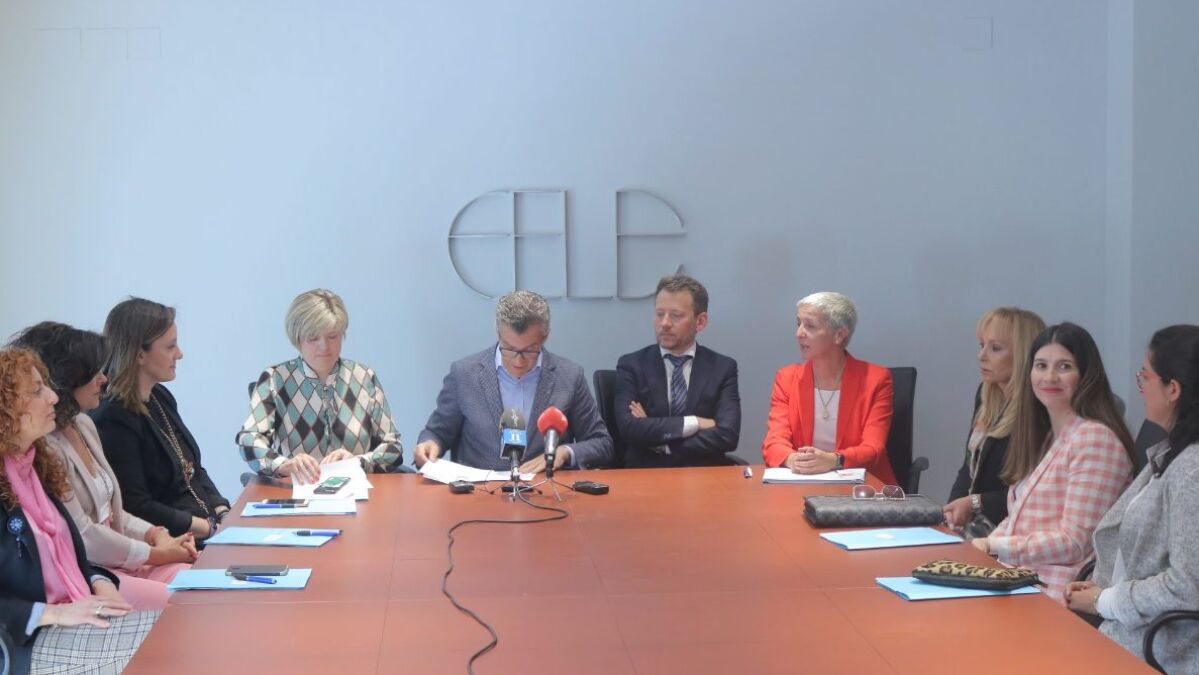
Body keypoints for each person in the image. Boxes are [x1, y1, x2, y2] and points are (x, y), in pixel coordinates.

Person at [11, 323, 196, 610]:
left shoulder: (83, 424)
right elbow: (83, 535)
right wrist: (155, 554)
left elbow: (113, 511)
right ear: (69, 379)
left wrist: (156, 534)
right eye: (94, 372)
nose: (103, 379)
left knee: (201, 583)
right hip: (95, 570)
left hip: (124, 560)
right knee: (184, 604)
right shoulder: (46, 448)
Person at [0, 347, 158, 675]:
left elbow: (68, 558)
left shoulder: (35, 469)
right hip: (25, 643)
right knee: (165, 648)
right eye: (37, 391)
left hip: (74, 614)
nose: (53, 398)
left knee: (176, 630)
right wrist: (51, 613)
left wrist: (99, 581)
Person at [1065, 325, 1199, 671]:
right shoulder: (1172, 453)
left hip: (1160, 647)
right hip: (1133, 628)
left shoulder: (1192, 470)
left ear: (1173, 389)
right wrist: (1101, 588)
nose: (1140, 388)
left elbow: (1189, 586)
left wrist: (1105, 600)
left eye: (1145, 377)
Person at [971, 322, 1135, 603]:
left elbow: (1074, 542)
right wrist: (980, 549)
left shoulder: (1095, 438)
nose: (1049, 377)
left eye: (1064, 367)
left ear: (1086, 375)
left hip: (1053, 594)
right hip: (1017, 580)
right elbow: (1019, 520)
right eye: (1041, 366)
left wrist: (993, 545)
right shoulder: (1049, 435)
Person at [414, 290, 612, 472]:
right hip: (479, 491)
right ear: (498, 333)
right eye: (509, 349)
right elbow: (437, 432)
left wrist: (564, 452)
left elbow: (602, 443)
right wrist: (429, 445)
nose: (518, 361)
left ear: (545, 337)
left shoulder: (569, 376)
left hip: (544, 489)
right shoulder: (464, 374)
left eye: (530, 350)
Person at [92, 298, 230, 540]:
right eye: (170, 347)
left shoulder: (160, 396)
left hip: (207, 529)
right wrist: (208, 528)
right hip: (171, 543)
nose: (180, 354)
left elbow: (192, 470)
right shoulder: (113, 418)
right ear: (139, 354)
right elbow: (136, 505)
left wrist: (222, 510)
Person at [237, 289, 404, 484]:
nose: (324, 346)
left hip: (357, 488)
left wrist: (359, 462)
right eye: (313, 338)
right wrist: (283, 465)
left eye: (332, 336)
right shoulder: (274, 380)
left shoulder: (364, 377)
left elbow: (393, 447)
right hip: (300, 489)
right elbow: (248, 440)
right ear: (297, 339)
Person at [762, 291, 896, 484]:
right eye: (798, 324)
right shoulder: (787, 378)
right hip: (802, 483)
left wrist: (834, 460)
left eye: (810, 326)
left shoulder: (876, 379)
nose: (799, 334)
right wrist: (793, 460)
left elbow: (873, 448)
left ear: (839, 335)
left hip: (861, 486)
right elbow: (774, 442)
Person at [614, 275, 741, 468]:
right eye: (659, 314)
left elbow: (727, 435)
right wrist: (694, 422)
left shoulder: (722, 368)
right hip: (647, 473)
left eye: (676, 315)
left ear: (700, 322)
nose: (665, 323)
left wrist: (661, 441)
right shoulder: (632, 365)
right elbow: (629, 429)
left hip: (703, 475)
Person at [944, 307, 1045, 531]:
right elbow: (967, 469)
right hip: (974, 524)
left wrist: (973, 503)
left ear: (1022, 353)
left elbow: (1034, 492)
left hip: (1011, 529)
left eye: (995, 348)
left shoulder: (1039, 409)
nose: (981, 356)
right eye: (982, 345)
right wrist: (951, 513)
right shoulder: (986, 395)